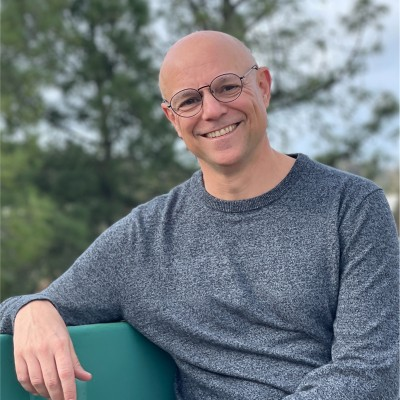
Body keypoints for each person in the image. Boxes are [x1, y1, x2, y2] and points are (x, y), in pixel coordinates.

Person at [1, 30, 399, 400]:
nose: (212, 110)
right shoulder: (144, 239)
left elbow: (371, 372)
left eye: (227, 87)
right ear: (173, 119)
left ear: (263, 86)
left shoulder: (352, 206)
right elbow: (37, 304)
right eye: (189, 100)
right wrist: (31, 310)